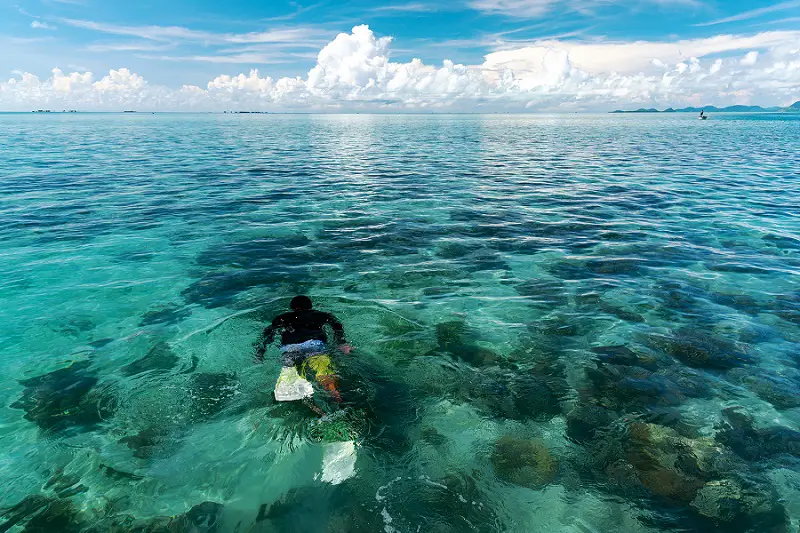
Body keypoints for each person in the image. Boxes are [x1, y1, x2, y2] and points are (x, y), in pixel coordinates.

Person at [255, 296, 351, 402]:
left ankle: (289, 388)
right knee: (322, 368)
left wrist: (260, 354)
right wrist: (342, 343)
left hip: (291, 348)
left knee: (290, 368)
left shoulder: (282, 318)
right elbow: (336, 325)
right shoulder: (321, 315)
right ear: (310, 306)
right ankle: (333, 390)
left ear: (292, 307)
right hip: (314, 345)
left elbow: (268, 334)